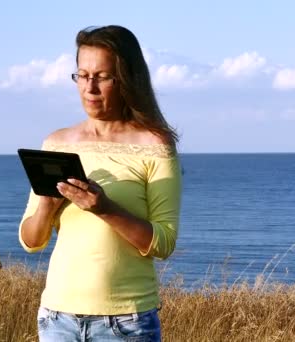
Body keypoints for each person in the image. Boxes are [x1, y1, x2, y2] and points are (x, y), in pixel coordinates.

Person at [18, 25, 182, 341]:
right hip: (57, 319)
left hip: (125, 324)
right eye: (82, 75)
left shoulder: (155, 145)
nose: (89, 88)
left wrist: (104, 208)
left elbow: (163, 242)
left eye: (102, 77)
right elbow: (30, 240)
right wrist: (45, 207)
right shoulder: (56, 143)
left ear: (126, 79)